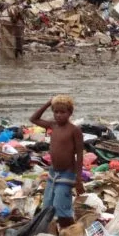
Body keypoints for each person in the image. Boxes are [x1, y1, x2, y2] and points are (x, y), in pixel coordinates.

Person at [29, 95, 84, 228]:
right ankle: (49, 230)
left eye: (62, 112)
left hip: (67, 173)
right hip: (53, 173)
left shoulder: (74, 130)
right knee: (47, 204)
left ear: (70, 113)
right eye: (56, 112)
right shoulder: (53, 126)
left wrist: (78, 179)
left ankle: (70, 231)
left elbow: (80, 155)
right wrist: (49, 102)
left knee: (61, 206)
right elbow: (33, 119)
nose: (59, 115)